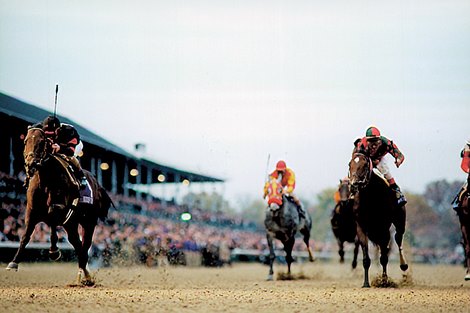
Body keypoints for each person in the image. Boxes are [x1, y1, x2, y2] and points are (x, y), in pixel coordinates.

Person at [353, 126, 407, 205]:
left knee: (383, 168)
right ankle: (351, 189)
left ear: (379, 139)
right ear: (366, 140)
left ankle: (397, 191)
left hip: (379, 159)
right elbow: (356, 157)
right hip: (366, 159)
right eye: (370, 141)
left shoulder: (386, 143)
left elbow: (400, 155)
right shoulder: (361, 144)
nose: (373, 145)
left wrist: (398, 160)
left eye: (375, 141)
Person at [40, 115, 88, 189]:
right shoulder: (40, 127)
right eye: (47, 133)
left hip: (72, 146)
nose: (50, 136)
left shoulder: (69, 131)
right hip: (57, 144)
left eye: (52, 133)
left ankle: (81, 176)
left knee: (69, 157)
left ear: (58, 129)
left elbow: (71, 151)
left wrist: (60, 148)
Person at [452, 138, 470, 210]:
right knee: (466, 189)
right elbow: (464, 164)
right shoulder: (468, 148)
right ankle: (459, 203)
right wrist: (469, 170)